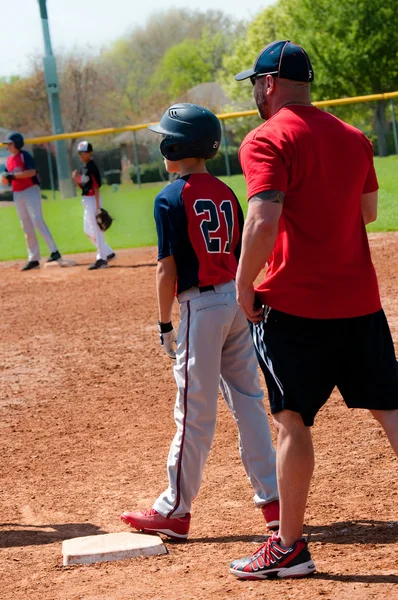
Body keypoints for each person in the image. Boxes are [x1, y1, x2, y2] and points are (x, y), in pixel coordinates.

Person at [228, 40, 398, 580]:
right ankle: (289, 545)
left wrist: (243, 281)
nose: (254, 93)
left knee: (293, 421)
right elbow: (367, 212)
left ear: (271, 82)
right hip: (359, 301)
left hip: (295, 306)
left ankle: (290, 547)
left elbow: (262, 220)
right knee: (390, 410)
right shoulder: (353, 138)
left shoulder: (265, 138)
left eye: (255, 83)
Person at [120, 103, 279, 540]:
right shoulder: (227, 191)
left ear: (175, 145)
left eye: (164, 138)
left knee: (193, 411)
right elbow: (244, 249)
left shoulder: (170, 196)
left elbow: (165, 270)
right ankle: (275, 502)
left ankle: (174, 511)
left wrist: (164, 324)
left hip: (200, 308)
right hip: (233, 299)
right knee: (249, 401)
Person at [1, 132, 62, 271]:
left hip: (30, 190)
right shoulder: (9, 160)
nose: (8, 146)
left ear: (17, 144)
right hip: (17, 194)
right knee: (26, 226)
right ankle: (33, 258)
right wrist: (5, 178)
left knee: (37, 220)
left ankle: (54, 251)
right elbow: (5, 179)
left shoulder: (24, 156)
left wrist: (13, 175)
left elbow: (32, 172)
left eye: (10, 143)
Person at [72, 141, 115, 270]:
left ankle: (102, 259)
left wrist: (97, 208)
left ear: (90, 153)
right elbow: (82, 187)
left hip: (93, 200)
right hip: (86, 200)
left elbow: (96, 187)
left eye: (83, 153)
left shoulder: (92, 167)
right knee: (88, 231)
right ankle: (108, 252)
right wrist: (75, 179)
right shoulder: (83, 168)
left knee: (97, 230)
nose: (81, 155)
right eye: (80, 153)